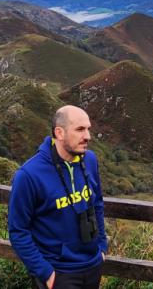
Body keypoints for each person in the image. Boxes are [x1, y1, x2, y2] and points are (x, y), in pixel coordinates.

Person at [9, 105, 108, 289]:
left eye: (88, 129)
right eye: (79, 129)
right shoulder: (29, 175)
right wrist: (47, 274)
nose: (87, 136)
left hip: (92, 265)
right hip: (59, 273)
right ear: (59, 133)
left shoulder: (90, 160)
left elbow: (98, 204)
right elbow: (18, 231)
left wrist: (101, 247)